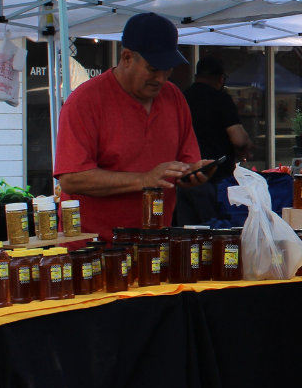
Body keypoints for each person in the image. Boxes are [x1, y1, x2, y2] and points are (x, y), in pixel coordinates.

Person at [54, 12, 214, 243]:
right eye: (153, 69)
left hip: (155, 244)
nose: (161, 78)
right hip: (94, 250)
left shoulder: (173, 97)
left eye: (168, 69)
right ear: (127, 57)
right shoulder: (85, 101)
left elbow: (185, 161)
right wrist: (143, 180)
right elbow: (71, 178)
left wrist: (192, 173)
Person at [177, 57, 252, 224]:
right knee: (213, 238)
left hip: (182, 179)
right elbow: (239, 139)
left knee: (187, 239)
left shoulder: (181, 98)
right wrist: (245, 146)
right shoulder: (220, 99)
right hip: (212, 181)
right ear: (220, 78)